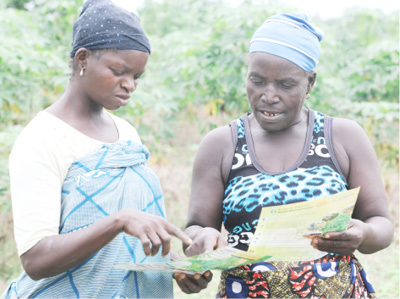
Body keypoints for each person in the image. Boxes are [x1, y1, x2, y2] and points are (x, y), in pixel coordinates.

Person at [1, 0, 210, 298]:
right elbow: (36, 258)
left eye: (137, 77)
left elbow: (130, 237)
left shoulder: (126, 135)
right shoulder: (42, 138)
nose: (130, 85)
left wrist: (174, 265)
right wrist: (119, 221)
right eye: (119, 71)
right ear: (83, 59)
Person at [183, 12, 393, 298]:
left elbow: (381, 224)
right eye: (257, 81)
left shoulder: (343, 137)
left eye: (285, 85)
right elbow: (196, 228)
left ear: (310, 84)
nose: (269, 95)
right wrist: (201, 240)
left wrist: (364, 234)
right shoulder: (221, 144)